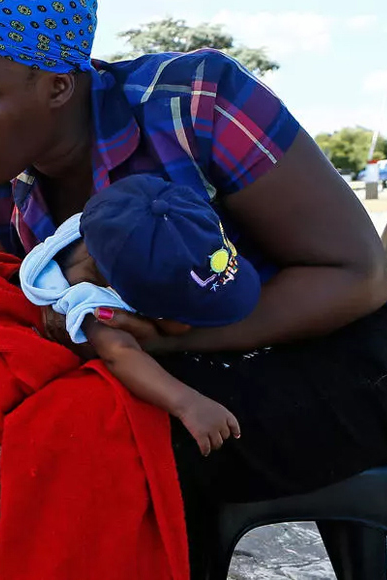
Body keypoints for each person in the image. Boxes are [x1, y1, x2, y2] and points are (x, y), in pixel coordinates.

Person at [0, 0, 387, 577]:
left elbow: (355, 275)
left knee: (95, 436)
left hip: (342, 356)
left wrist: (170, 343)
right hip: (166, 364)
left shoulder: (195, 104)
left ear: (57, 86)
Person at [23, 174, 248, 457]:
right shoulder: (90, 302)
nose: (194, 325)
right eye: (190, 313)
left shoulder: (102, 226)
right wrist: (187, 403)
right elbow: (119, 353)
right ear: (136, 300)